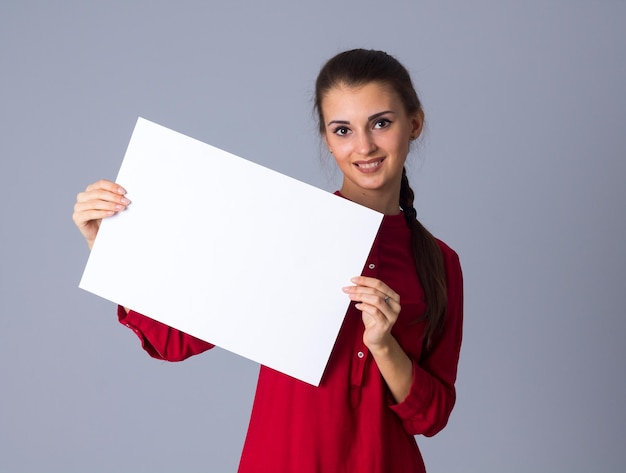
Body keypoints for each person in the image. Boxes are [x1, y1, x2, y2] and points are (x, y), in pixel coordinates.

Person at [73, 49, 463, 472]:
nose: (364, 145)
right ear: (327, 141)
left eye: (381, 123)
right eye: (343, 130)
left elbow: (431, 415)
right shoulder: (284, 230)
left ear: (415, 124)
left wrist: (383, 346)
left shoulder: (440, 263)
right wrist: (109, 246)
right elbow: (172, 341)